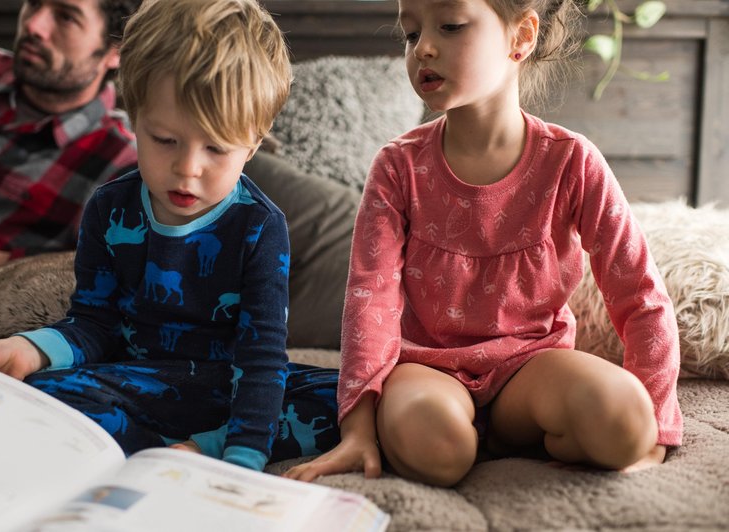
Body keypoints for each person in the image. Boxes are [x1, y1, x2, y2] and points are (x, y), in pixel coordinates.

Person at [285, 0, 682, 487]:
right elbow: (370, 301)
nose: (423, 48)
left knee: (625, 421)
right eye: (411, 35)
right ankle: (485, 437)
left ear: (521, 37)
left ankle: (522, 431)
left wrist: (656, 431)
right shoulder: (397, 167)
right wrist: (357, 428)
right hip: (426, 367)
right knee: (439, 452)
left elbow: (640, 295)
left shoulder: (572, 161)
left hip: (531, 366)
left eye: (450, 26)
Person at [0, 0, 339, 471]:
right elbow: (93, 324)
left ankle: (203, 443)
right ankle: (135, 443)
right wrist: (31, 348)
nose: (187, 168)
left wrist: (237, 459)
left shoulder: (260, 226)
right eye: (165, 140)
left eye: (216, 148)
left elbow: (260, 359)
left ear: (254, 143)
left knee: (341, 395)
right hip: (135, 380)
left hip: (231, 386)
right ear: (134, 117)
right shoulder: (108, 207)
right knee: (41, 394)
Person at [0, 0, 141, 287]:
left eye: (66, 17)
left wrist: (17, 261)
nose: (33, 25)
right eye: (34, 4)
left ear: (115, 51)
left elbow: (106, 268)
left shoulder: (120, 163)